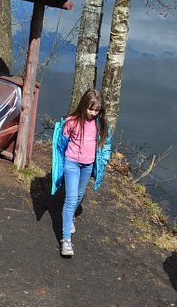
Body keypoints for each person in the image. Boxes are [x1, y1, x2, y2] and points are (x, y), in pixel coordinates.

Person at [51, 88, 112, 257]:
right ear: (83, 105)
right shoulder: (72, 122)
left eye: (97, 110)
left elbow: (106, 144)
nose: (93, 113)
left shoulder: (101, 125)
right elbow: (62, 142)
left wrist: (104, 160)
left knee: (79, 195)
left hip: (87, 165)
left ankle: (68, 218)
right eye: (90, 108)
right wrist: (60, 164)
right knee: (70, 199)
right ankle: (66, 240)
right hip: (72, 163)